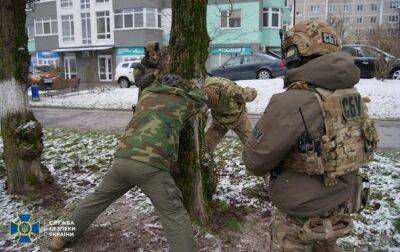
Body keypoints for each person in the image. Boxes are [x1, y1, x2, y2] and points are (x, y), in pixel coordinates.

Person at [242, 21, 379, 251]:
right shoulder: (351, 94)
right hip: (338, 207)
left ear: (296, 53)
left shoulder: (290, 102)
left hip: (298, 218)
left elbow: (254, 161)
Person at [50, 74, 208, 252]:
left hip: (122, 159)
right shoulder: (182, 100)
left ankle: (60, 236)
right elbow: (202, 99)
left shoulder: (147, 93)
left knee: (96, 199)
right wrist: (189, 84)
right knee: (173, 214)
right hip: (152, 166)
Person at [202, 77, 257, 151]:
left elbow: (249, 94)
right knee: (206, 147)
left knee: (252, 145)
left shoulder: (231, 90)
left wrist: (252, 93)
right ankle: (205, 158)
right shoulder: (201, 90)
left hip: (239, 119)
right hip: (220, 123)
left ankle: (259, 161)